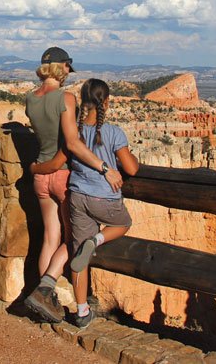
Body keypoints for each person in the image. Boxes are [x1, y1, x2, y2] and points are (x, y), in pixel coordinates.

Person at [23, 47, 124, 323]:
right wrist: (104, 167)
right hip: (64, 175)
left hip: (40, 177)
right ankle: (47, 289)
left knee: (49, 238)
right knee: (73, 241)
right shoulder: (66, 98)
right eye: (68, 67)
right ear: (60, 67)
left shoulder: (30, 99)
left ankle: (45, 297)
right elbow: (71, 142)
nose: (69, 72)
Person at [67, 78, 139, 327]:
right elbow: (130, 167)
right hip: (105, 198)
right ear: (106, 102)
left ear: (83, 102)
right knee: (124, 223)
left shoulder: (74, 132)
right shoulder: (113, 132)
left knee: (78, 255)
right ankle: (96, 240)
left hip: (77, 197)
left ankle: (82, 311)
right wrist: (134, 159)